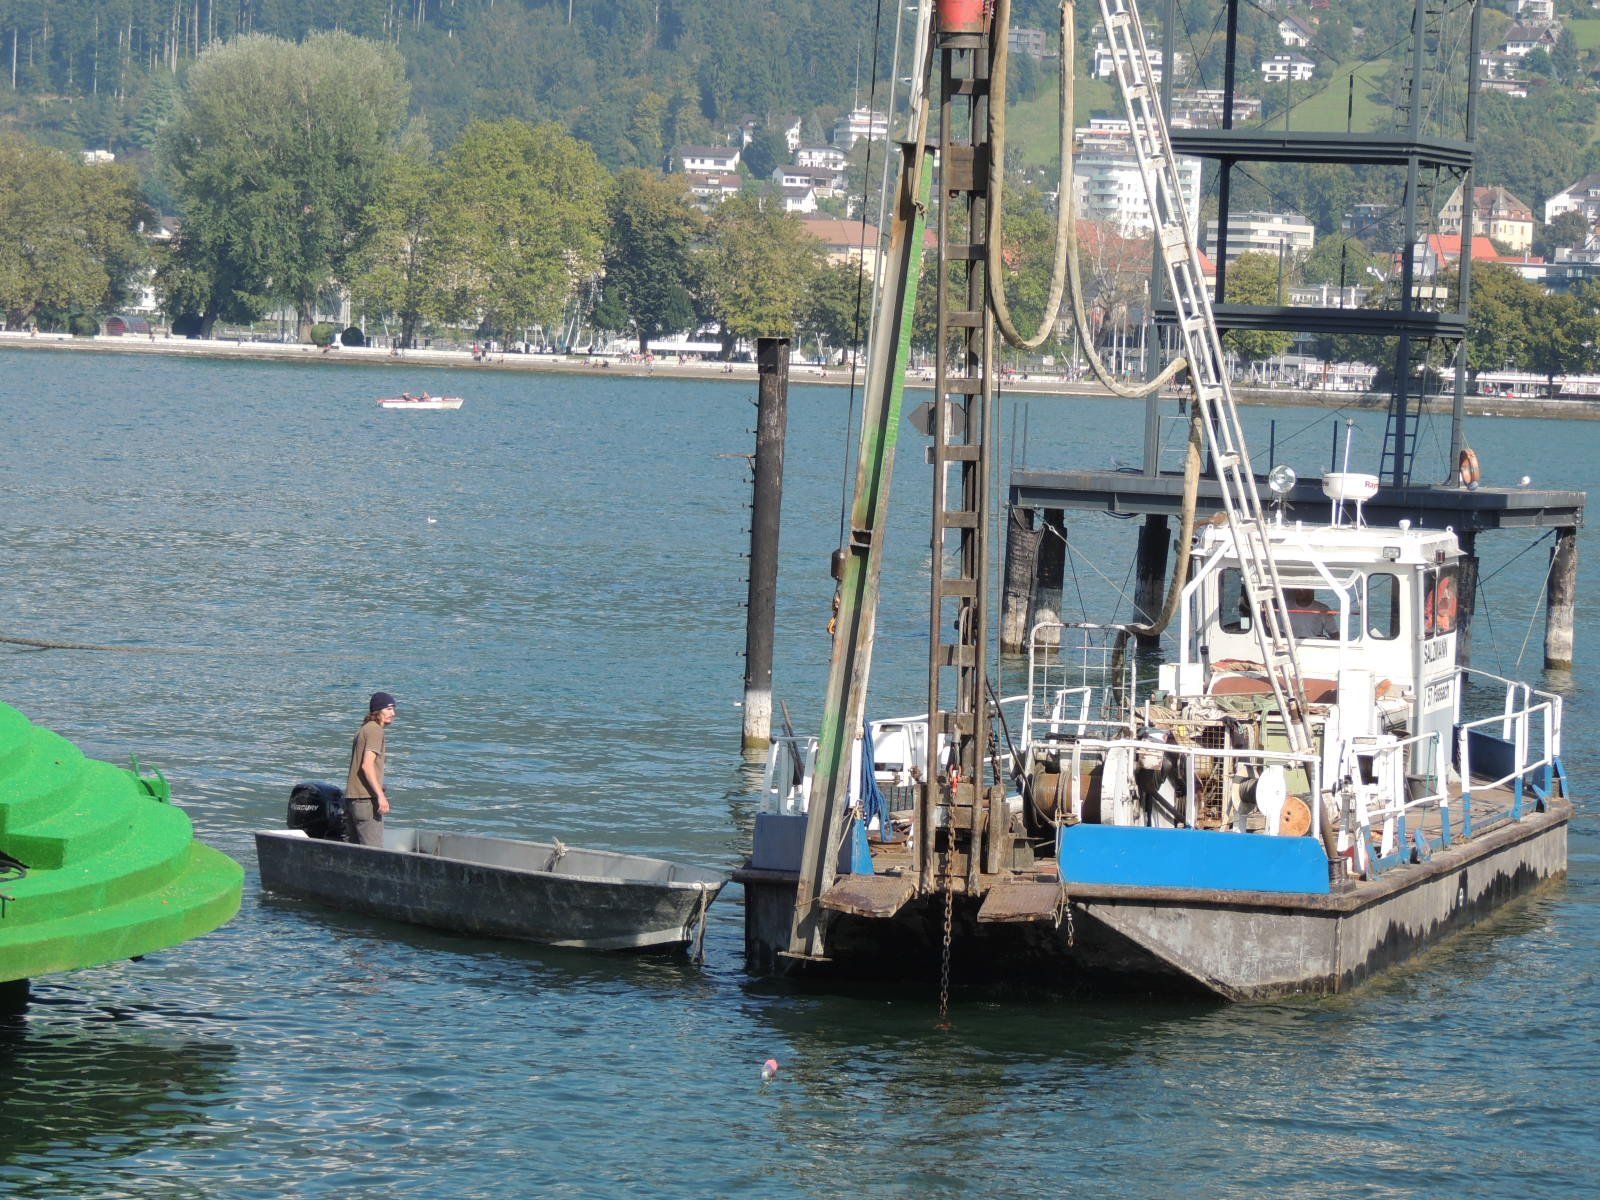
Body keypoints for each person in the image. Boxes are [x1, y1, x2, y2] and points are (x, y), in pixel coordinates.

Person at [344, 692, 396, 846]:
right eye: (388, 709)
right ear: (377, 711)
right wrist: (380, 796)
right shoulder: (375, 730)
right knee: (373, 853)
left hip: (352, 800)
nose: (393, 713)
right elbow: (367, 766)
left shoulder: (363, 729)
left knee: (353, 851)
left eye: (393, 709)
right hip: (366, 802)